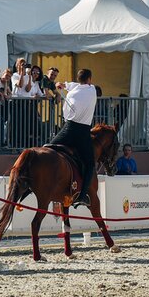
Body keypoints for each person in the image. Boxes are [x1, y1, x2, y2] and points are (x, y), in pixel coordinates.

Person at [51, 69, 98, 207]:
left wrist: (63, 85)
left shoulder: (73, 92)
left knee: (47, 149)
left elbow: (75, 86)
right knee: (90, 164)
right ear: (89, 79)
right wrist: (65, 85)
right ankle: (82, 196)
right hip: (82, 132)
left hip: (68, 129)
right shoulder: (92, 89)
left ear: (79, 80)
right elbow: (80, 85)